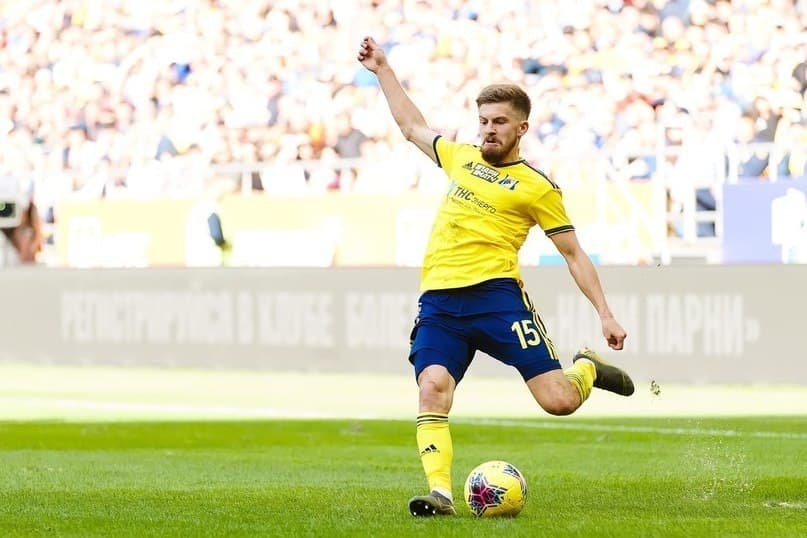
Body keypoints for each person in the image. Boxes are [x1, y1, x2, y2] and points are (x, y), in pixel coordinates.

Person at [357, 36, 635, 517]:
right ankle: (440, 494)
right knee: (432, 387)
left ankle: (587, 367)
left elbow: (573, 254)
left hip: (497, 300)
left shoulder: (537, 188)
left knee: (558, 401)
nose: (488, 130)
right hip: (440, 304)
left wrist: (605, 313)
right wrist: (383, 68)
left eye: (499, 122)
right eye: (484, 121)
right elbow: (411, 127)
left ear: (521, 128)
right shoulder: (461, 158)